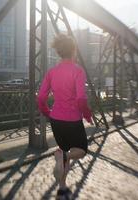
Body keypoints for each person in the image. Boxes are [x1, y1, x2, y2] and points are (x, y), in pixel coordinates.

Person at [37, 34, 93, 199]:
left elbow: (40, 97)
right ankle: (64, 156)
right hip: (73, 120)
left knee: (63, 152)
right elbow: (81, 99)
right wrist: (87, 115)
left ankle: (62, 189)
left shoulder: (52, 72)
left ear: (59, 52)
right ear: (74, 50)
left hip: (56, 119)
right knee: (81, 150)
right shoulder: (78, 71)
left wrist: (48, 112)